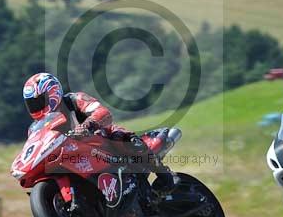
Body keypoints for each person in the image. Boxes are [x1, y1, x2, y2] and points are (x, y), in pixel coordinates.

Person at [22, 72, 176, 193]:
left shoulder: (75, 100)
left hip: (102, 140)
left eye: (38, 101)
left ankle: (164, 176)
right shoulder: (35, 128)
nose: (35, 107)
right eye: (31, 104)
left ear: (53, 93)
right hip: (70, 158)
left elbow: (103, 112)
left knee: (125, 140)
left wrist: (87, 125)